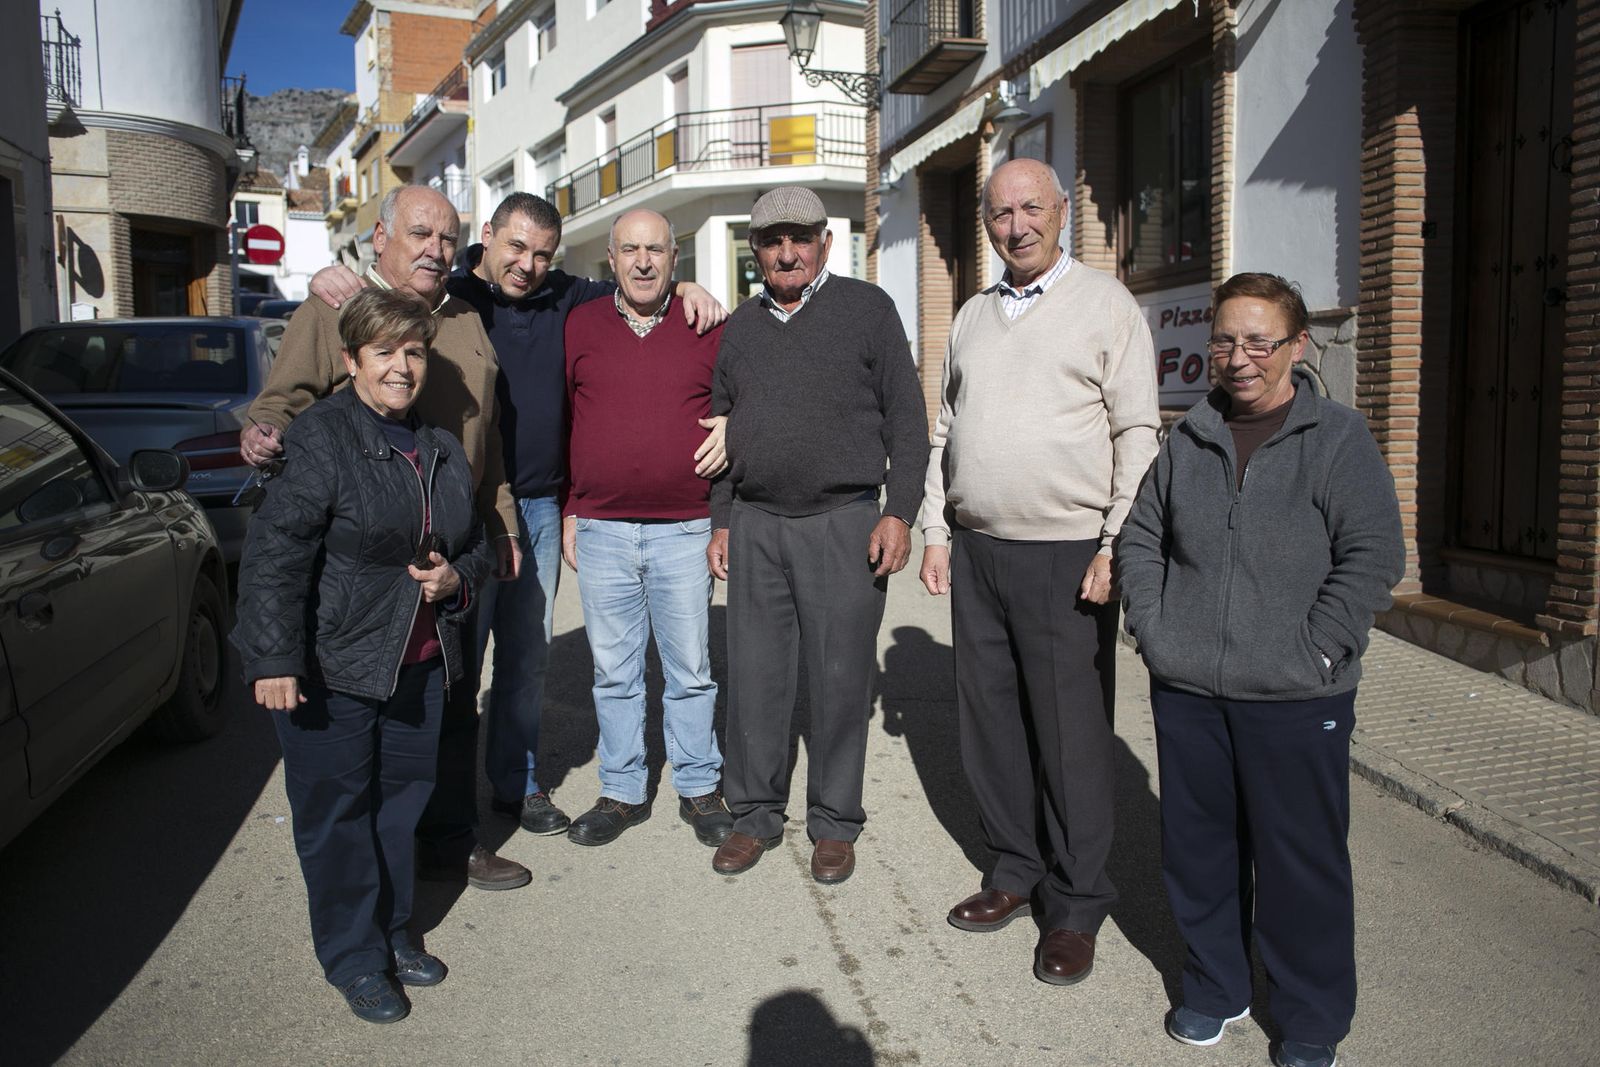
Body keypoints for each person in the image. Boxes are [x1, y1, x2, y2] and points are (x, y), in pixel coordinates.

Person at [305, 192, 728, 840]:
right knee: (455, 664)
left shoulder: (572, 298)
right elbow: (382, 299)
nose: (527, 265)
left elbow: (639, 279)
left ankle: (517, 783)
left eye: (541, 254)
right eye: (515, 248)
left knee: (525, 661)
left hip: (540, 503)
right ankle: (443, 816)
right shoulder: (451, 295)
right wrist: (330, 275)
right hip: (458, 502)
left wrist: (688, 282)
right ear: (487, 241)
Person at [1117, 272, 1404, 1067]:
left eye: (1258, 340)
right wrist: (1156, 630)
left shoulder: (1339, 439)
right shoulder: (1191, 437)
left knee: (1299, 862)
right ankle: (1216, 985)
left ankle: (1311, 1015)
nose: (1238, 358)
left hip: (1294, 693)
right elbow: (1141, 538)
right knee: (1198, 850)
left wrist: (1317, 647)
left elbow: (1374, 554)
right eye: (1224, 339)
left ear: (1296, 346)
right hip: (1191, 690)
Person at [240, 184, 531, 892]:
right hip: (365, 554)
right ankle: (367, 873)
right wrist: (262, 432)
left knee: (454, 702)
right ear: (379, 239)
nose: (435, 250)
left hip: (452, 545)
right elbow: (282, 400)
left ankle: (450, 842)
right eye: (419, 234)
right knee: (365, 719)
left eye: (447, 238)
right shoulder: (333, 306)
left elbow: (484, 430)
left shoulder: (463, 315)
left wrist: (499, 520)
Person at [918, 158, 1160, 986]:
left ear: (1063, 212)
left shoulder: (1107, 306)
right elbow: (945, 429)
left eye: (1030, 208)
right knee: (989, 724)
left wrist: (1115, 544)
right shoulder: (975, 315)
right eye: (999, 213)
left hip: (1067, 555)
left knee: (1071, 737)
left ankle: (1078, 901)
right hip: (979, 547)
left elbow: (1138, 431)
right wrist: (936, 527)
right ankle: (1015, 870)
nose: (1014, 225)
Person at [233, 287, 496, 1023]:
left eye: (413, 351)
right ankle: (354, 958)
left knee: (397, 809)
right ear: (351, 359)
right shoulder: (320, 438)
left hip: (414, 666)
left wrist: (455, 578)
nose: (401, 367)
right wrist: (274, 659)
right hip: (333, 668)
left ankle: (391, 930)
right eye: (384, 352)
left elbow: (471, 547)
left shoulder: (440, 447)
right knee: (338, 816)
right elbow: (273, 557)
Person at [707, 186, 928, 884]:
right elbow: (716, 428)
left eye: (800, 237)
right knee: (756, 680)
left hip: (844, 520)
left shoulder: (868, 310)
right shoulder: (740, 328)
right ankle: (754, 814)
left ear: (825, 242)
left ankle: (835, 820)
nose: (787, 251)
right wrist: (720, 517)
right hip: (757, 520)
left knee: (840, 677)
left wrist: (900, 510)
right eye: (773, 241)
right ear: (757, 251)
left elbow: (909, 424)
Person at [558, 208, 733, 848]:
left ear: (674, 259)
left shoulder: (706, 324)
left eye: (655, 250)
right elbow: (561, 421)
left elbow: (746, 401)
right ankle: (623, 789)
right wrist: (571, 505)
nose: (642, 261)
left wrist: (733, 441)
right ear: (610, 257)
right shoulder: (580, 324)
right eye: (629, 249)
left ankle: (697, 784)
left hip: (685, 527)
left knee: (689, 668)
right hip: (602, 528)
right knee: (614, 671)